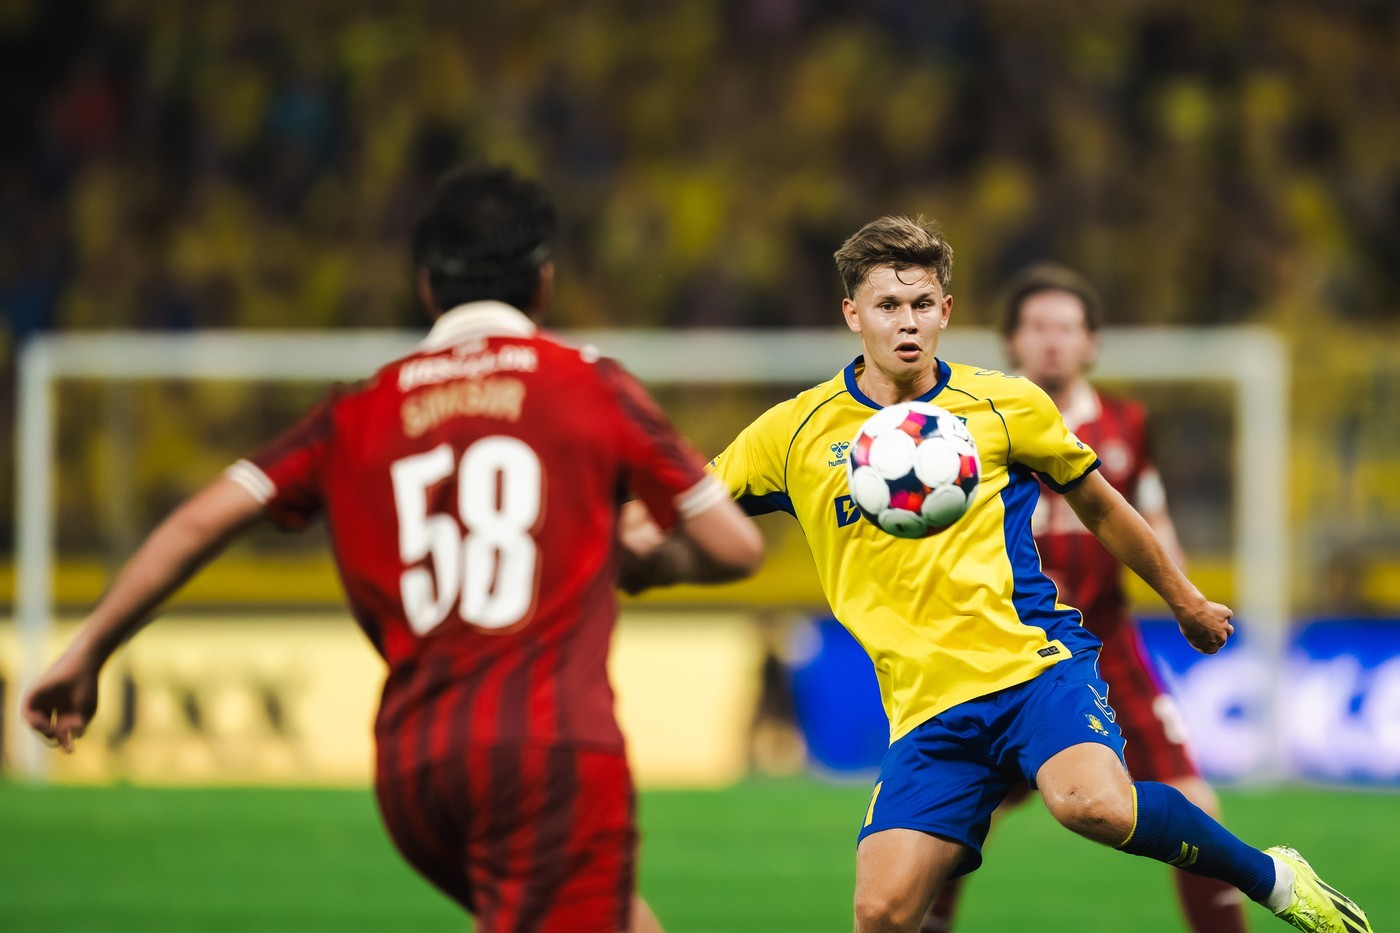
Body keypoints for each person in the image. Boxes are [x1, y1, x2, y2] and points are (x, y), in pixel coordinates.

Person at [23, 164, 765, 933]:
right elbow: (736, 548)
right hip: (544, 750)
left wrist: (87, 650)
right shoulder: (588, 383)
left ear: (425, 287)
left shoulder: (356, 410)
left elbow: (197, 523)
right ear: (543, 283)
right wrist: (631, 559)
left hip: (414, 768)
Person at [630, 215, 1370, 933]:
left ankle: (1274, 876)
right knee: (880, 912)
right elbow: (689, 502)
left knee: (1093, 805)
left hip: (1031, 667)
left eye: (922, 303)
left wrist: (1184, 601)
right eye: (888, 305)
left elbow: (1102, 504)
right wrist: (626, 539)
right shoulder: (789, 432)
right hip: (926, 710)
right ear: (852, 312)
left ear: (947, 309)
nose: (907, 322)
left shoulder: (1004, 404)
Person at [922, 263, 1246, 933]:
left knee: (1195, 804)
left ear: (1091, 343)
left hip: (1107, 648)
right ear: (1011, 342)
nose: (1052, 341)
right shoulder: (963, 428)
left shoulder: (1126, 426)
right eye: (1037, 327)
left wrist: (1186, 595)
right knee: (945, 825)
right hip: (1005, 656)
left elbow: (1150, 517)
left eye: (1066, 327)